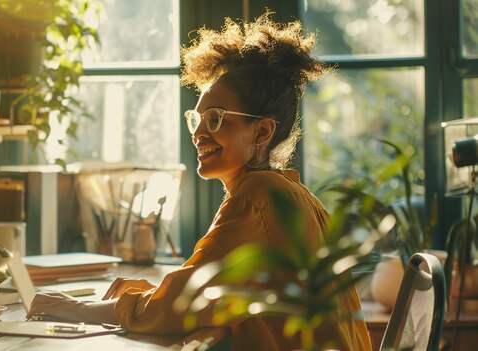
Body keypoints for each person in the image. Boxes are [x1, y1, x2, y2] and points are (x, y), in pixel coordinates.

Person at [27, 11, 372, 350]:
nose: (199, 133)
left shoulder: (258, 195)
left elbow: (184, 306)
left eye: (216, 118)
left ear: (262, 131)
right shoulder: (290, 192)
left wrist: (75, 309)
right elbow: (206, 292)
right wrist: (155, 292)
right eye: (198, 118)